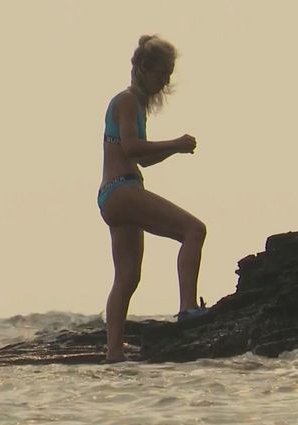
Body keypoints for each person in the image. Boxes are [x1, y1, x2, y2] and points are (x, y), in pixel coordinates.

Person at [98, 35, 208, 362]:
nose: (165, 82)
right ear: (144, 69)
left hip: (113, 195)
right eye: (161, 74)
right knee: (194, 230)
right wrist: (175, 143)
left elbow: (143, 159)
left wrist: (174, 150)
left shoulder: (135, 105)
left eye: (169, 75)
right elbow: (132, 148)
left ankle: (114, 352)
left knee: (127, 277)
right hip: (123, 190)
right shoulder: (127, 101)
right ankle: (187, 308)